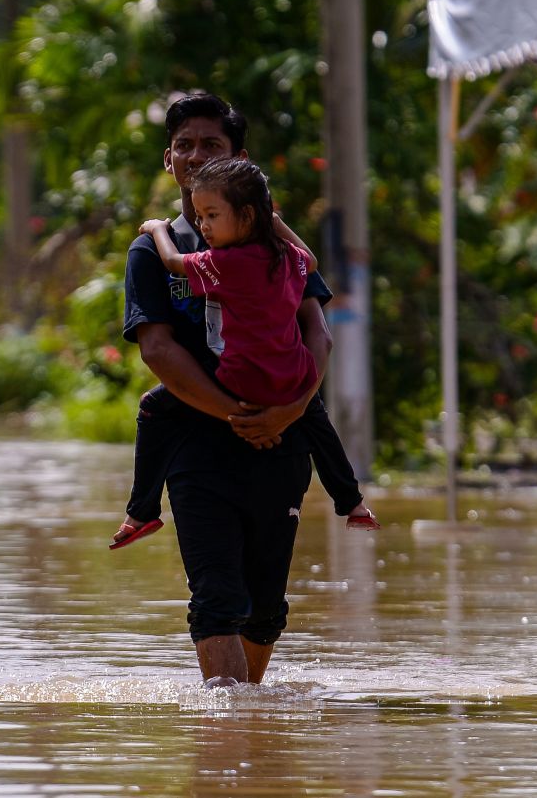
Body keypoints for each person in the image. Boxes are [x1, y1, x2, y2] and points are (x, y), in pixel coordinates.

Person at [117, 93, 348, 687]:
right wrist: (234, 413)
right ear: (169, 160)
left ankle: (250, 727)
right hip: (197, 440)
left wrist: (290, 409)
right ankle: (230, 738)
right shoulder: (154, 249)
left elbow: (316, 330)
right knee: (216, 594)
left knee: (266, 607)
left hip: (282, 438)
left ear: (238, 158)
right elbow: (158, 350)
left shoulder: (279, 250)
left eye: (211, 145)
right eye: (185, 146)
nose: (196, 156)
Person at [116, 157, 377, 551]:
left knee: (154, 408)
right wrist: (273, 221)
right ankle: (352, 502)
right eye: (200, 216)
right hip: (294, 375)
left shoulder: (226, 263)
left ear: (246, 215)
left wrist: (156, 229)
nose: (203, 226)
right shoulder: (288, 259)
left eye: (212, 215)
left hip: (242, 378)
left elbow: (171, 262)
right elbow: (312, 258)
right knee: (315, 419)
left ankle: (142, 510)